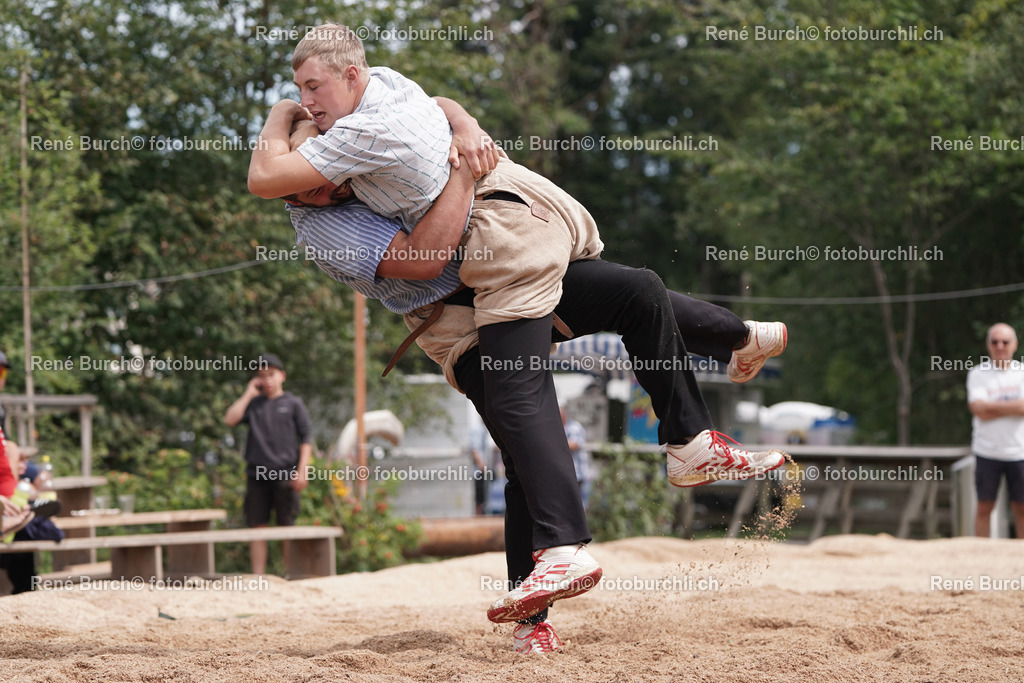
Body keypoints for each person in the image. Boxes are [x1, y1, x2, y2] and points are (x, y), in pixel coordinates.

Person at [248, 26, 788, 651]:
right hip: (456, 319)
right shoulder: (322, 225)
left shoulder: (364, 132)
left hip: (502, 272)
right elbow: (426, 259)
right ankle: (535, 614)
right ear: (300, 181)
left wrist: (464, 124)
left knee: (636, 290)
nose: (335, 172)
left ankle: (712, 390)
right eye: (319, 169)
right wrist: (462, 171)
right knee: (522, 426)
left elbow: (434, 103)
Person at [224, 353, 313, 574]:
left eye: (271, 374)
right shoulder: (253, 405)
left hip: (285, 475)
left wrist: (302, 472)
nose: (267, 380)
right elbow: (230, 419)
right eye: (261, 376)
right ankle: (258, 577)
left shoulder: (293, 404)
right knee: (258, 528)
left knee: (287, 528)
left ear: (282, 375)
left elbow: (307, 440)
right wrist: (248, 392)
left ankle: (291, 575)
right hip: (257, 475)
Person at [967, 322, 1024, 538]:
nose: (1000, 346)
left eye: (1005, 341)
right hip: (986, 452)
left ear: (1015, 344)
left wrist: (991, 407)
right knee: (984, 507)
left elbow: (1023, 407)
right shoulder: (978, 373)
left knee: (1022, 508)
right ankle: (981, 557)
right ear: (988, 345)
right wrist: (1014, 407)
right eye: (994, 341)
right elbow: (978, 410)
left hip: (1020, 452)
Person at [560, 407, 594, 510]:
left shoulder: (574, 427)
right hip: (567, 474)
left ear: (564, 415)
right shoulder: (559, 428)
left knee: (580, 506)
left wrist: (555, 443)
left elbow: (574, 445)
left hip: (579, 474)